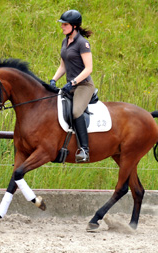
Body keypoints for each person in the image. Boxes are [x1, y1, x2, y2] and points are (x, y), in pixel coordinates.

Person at [50, 10, 95, 162]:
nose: (62, 26)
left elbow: (88, 68)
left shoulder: (83, 43)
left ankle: (84, 150)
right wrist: (53, 80)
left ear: (74, 26)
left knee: (76, 111)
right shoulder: (65, 41)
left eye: (65, 24)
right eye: (62, 24)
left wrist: (73, 82)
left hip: (83, 85)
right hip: (71, 85)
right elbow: (63, 66)